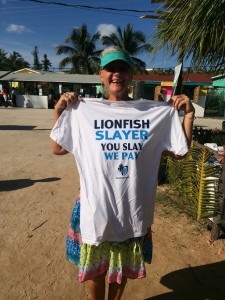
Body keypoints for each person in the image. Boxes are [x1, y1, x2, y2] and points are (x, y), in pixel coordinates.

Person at [50, 46, 195, 300]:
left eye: (123, 68)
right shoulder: (83, 110)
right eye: (111, 69)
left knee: (122, 267)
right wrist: (60, 111)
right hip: (96, 207)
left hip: (131, 208)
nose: (117, 74)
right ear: (101, 75)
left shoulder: (152, 113)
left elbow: (179, 152)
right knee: (95, 268)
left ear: (131, 75)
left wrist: (189, 115)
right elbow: (58, 148)